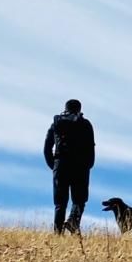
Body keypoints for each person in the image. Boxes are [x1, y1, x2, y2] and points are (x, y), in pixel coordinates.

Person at [43, 99, 95, 234]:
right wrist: (88, 165)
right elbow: (90, 147)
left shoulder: (56, 123)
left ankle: (58, 233)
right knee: (79, 199)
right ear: (79, 109)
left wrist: (53, 165)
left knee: (60, 203)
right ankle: (73, 222)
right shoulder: (85, 124)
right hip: (80, 167)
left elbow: (47, 147)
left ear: (65, 108)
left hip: (60, 166)